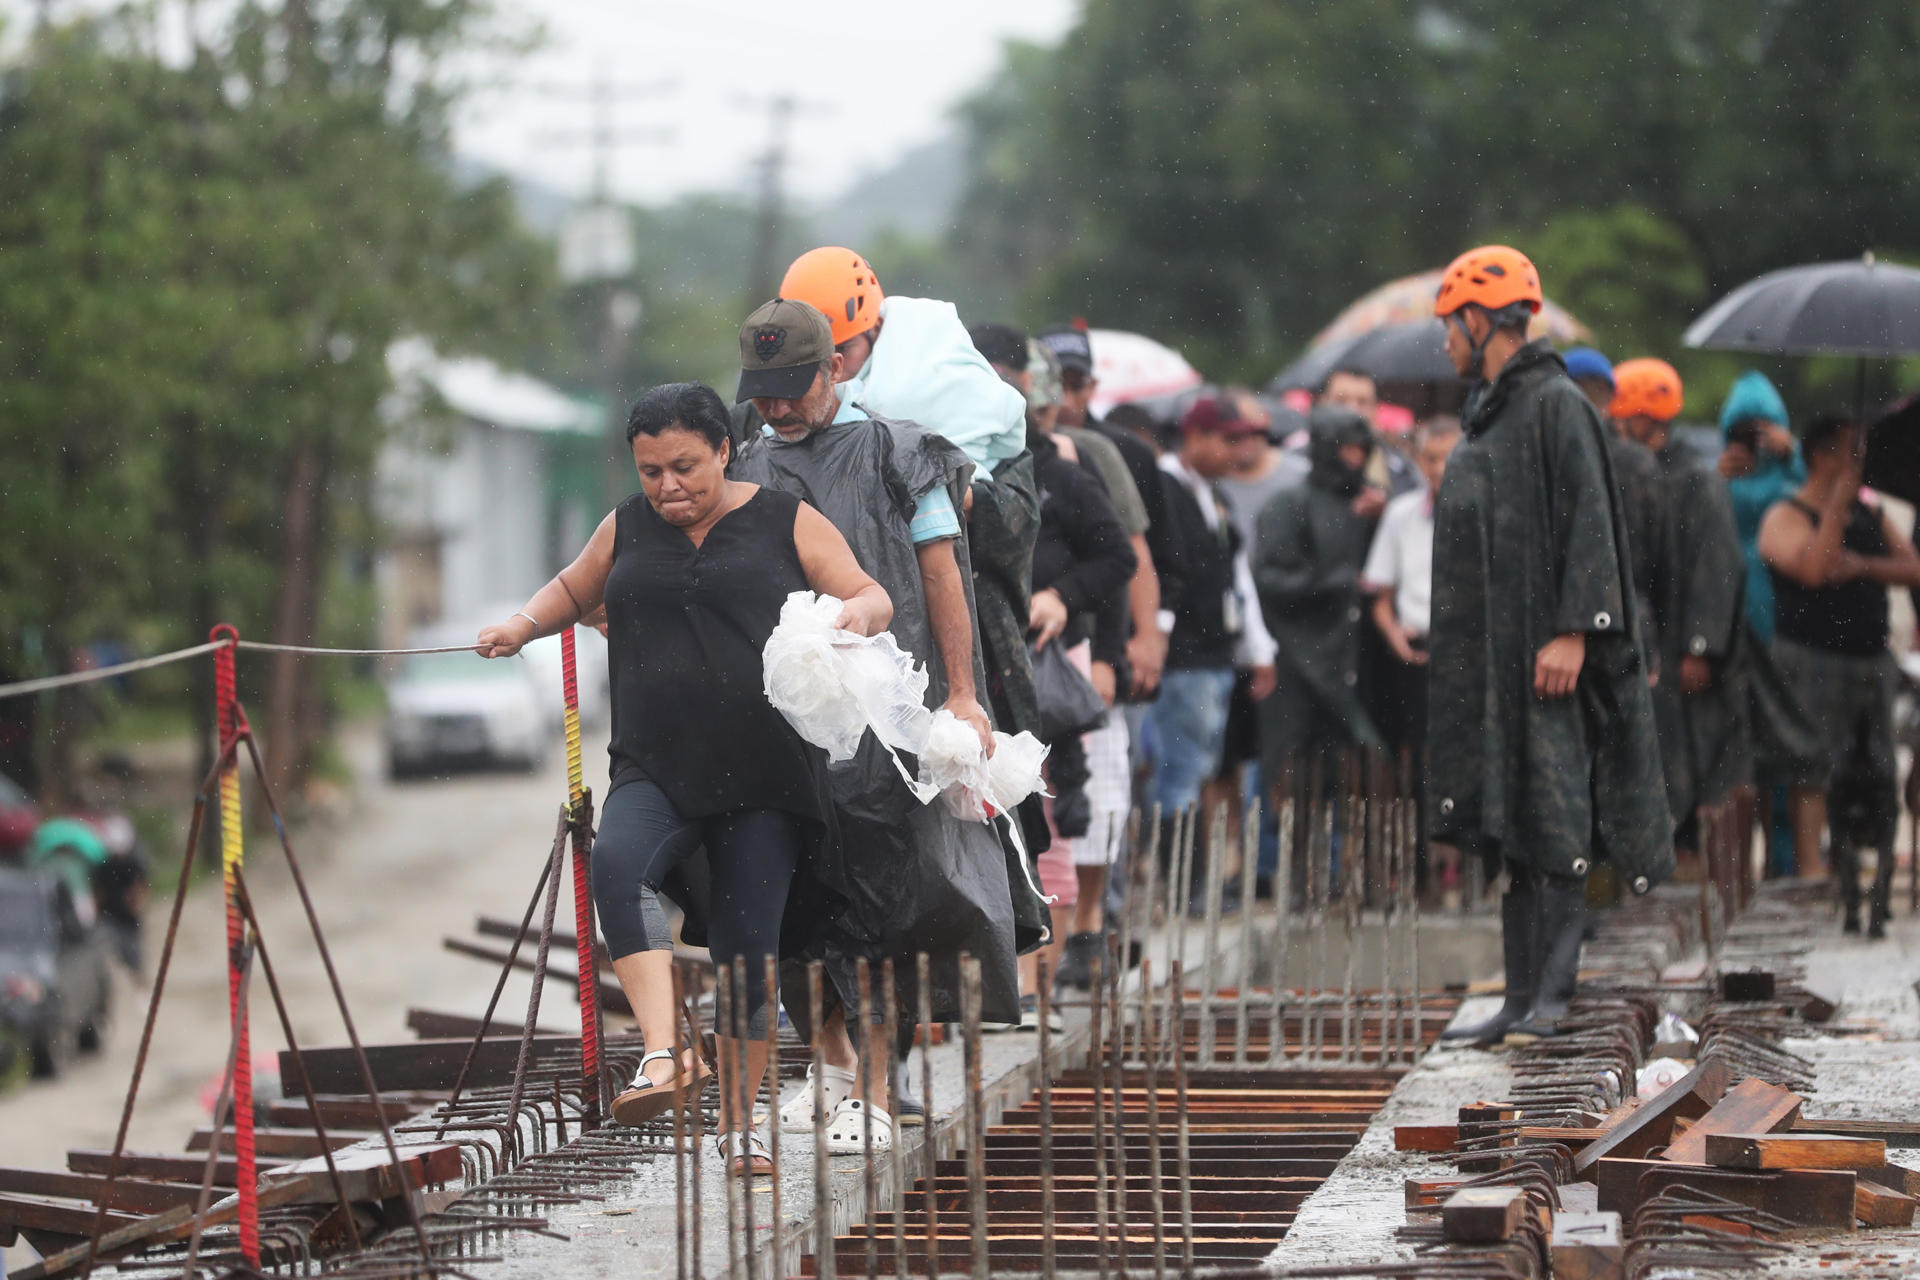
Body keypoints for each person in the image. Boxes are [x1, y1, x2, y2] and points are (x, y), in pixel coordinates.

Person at [476, 382, 892, 1175]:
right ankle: (665, 1052)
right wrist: (523, 626)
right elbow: (572, 588)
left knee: (746, 950)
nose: (668, 487)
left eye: (686, 467)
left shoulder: (784, 521)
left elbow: (869, 594)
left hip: (766, 775)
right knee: (618, 866)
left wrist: (853, 617)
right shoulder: (626, 528)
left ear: (725, 451)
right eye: (651, 471)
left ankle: (742, 1127)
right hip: (655, 764)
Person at [730, 297, 1034, 1152]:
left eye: (793, 388)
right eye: (764, 392)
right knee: (786, 894)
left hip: (884, 715)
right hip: (781, 718)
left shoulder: (898, 451)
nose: (777, 407)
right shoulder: (743, 463)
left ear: (836, 368)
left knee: (884, 891)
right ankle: (826, 1066)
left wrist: (963, 693)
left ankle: (873, 1081)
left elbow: (944, 574)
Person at [1426, 245, 1672, 1047]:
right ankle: (1519, 995)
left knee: (1555, 812)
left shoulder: (1556, 403)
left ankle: (1554, 998)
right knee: (1513, 816)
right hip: (1498, 660)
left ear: (1478, 319)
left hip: (1549, 654)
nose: (1445, 344)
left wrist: (1575, 629)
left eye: (1449, 327)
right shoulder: (1493, 411)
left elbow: (1593, 523)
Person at [1759, 414, 1920, 937]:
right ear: (1823, 456)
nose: (1860, 462)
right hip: (1811, 657)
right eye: (1852, 452)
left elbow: (1912, 567)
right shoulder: (1786, 513)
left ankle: (1868, 881)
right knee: (1811, 767)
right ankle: (1811, 873)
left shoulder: (1871, 513)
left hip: (1868, 659)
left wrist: (1864, 566)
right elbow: (1812, 569)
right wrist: (1834, 509)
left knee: (1872, 762)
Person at [1012, 340, 1135, 1022]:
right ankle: (993, 982)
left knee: (1055, 819)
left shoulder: (1064, 474)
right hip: (976, 674)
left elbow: (1120, 558)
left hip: (1051, 669)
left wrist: (1060, 595)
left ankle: (1039, 987)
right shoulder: (948, 474)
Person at [1611, 359, 1752, 852]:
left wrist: (1701, 645)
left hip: (1689, 650)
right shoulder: (1647, 470)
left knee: (1700, 756)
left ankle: (1697, 864)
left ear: (1645, 417)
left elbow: (1718, 568)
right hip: (1659, 641)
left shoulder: (1697, 478)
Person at [1152, 396, 1276, 902]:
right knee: (1180, 776)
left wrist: (1256, 649)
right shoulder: (1162, 486)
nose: (1238, 450)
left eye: (1244, 439)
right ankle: (1185, 889)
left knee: (1202, 771)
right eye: (1228, 439)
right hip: (1183, 658)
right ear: (1196, 436)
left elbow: (1236, 577)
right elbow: (1165, 574)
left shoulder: (1212, 495)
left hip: (1214, 656)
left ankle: (1197, 883)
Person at [1252, 404, 1387, 804]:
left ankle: (1339, 859)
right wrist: (1336, 582)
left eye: (1363, 451)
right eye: (1347, 449)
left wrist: (1378, 521)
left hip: (1353, 658)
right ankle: (1274, 862)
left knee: (1353, 768)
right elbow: (1270, 579)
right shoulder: (1289, 504)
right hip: (1298, 658)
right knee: (1289, 769)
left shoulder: (1371, 506)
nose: (1356, 460)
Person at [1040, 324, 1172, 700]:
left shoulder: (1118, 450)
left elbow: (1133, 552)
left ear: (1092, 387)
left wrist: (1144, 638)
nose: (1064, 399)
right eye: (1054, 384)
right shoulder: (1007, 443)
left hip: (1096, 635)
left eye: (1075, 384)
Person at [1359, 420, 1461, 898]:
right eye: (1432, 458)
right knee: (1417, 760)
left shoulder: (1487, 513)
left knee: (1464, 755)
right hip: (1417, 648)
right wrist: (1392, 632)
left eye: (1450, 457)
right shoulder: (1401, 515)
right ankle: (1422, 863)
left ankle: (1459, 860)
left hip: (1468, 651)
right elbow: (1379, 592)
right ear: (1419, 462)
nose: (1441, 469)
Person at [1567, 347, 1661, 644]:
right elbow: (1660, 552)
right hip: (1632, 617)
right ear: (1610, 400)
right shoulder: (1639, 462)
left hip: (1569, 624)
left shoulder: (1556, 455)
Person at [1319, 366, 1418, 501]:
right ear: (1323, 403)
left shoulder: (1400, 467)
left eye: (1362, 402)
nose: (1352, 410)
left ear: (1375, 408)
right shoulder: (1299, 461)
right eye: (1341, 401)